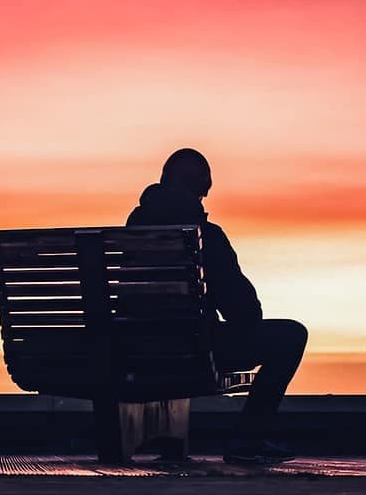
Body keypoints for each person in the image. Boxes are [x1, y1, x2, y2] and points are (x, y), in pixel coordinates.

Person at [126, 148, 308, 463]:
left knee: (179, 337)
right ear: (201, 190)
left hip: (134, 350)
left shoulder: (130, 235)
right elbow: (244, 313)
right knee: (291, 335)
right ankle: (247, 440)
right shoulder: (205, 237)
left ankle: (168, 445)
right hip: (194, 350)